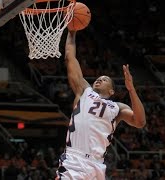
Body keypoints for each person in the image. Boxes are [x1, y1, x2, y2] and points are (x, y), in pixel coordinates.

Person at [56, 30, 146, 179]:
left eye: (104, 79)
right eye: (98, 78)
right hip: (74, 160)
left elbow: (140, 121)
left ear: (111, 91)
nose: (99, 79)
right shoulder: (84, 91)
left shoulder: (119, 108)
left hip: (97, 166)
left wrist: (131, 89)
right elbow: (69, 57)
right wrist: (72, 32)